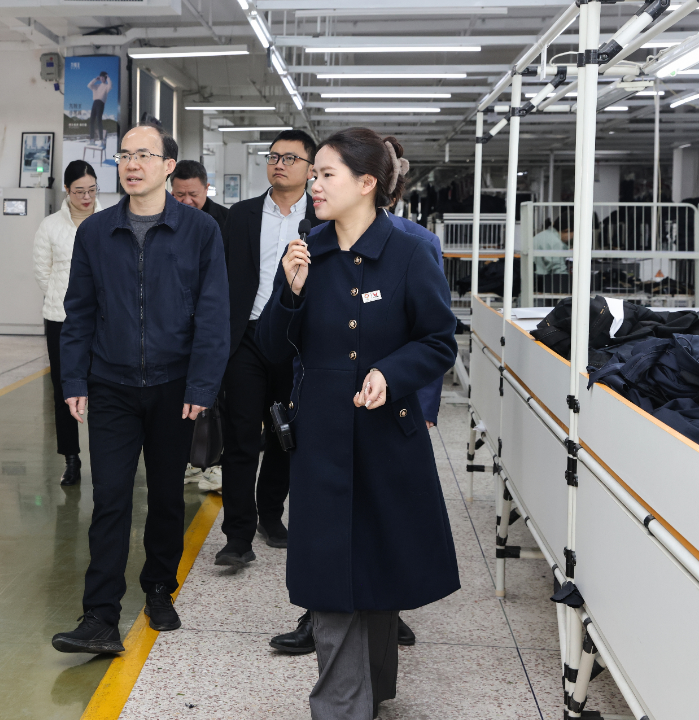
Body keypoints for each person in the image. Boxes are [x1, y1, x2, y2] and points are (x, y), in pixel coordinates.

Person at [255, 128, 459, 719]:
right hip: (320, 438)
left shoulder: (410, 251)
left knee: (377, 564)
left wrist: (391, 372)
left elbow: (439, 340)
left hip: (387, 436)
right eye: (314, 174)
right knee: (329, 572)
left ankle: (374, 690)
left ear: (367, 183)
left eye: (326, 175)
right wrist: (290, 294)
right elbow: (270, 348)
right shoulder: (306, 251)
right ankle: (340, 706)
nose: (313, 185)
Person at [51, 122, 230, 654]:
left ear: (168, 166)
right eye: (125, 155)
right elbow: (78, 311)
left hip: (175, 387)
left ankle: (158, 588)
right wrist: (74, 378)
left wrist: (202, 384)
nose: (132, 164)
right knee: (109, 498)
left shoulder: (200, 231)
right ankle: (100, 616)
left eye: (145, 155)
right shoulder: (96, 232)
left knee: (167, 496)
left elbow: (214, 314)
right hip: (111, 384)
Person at [216, 129, 321, 565]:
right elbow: (221, 278)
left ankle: (271, 516)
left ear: (311, 170)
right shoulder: (240, 215)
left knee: (285, 435)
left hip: (297, 340)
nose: (279, 163)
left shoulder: (322, 218)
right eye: (274, 156)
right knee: (241, 437)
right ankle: (237, 535)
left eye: (291, 158)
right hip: (247, 337)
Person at [33, 160, 102, 486]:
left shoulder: (108, 220)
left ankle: (105, 457)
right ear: (66, 190)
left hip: (102, 319)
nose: (86, 198)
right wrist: (63, 301)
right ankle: (71, 459)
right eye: (79, 191)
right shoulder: (50, 226)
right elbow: (42, 272)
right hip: (61, 320)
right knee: (64, 390)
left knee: (103, 388)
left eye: (91, 190)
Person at [171, 159, 228, 491]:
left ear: (207, 188)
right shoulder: (167, 219)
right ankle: (189, 461)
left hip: (212, 321)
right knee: (180, 401)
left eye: (192, 194)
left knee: (216, 399)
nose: (186, 201)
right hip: (178, 327)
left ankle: (215, 462)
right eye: (179, 194)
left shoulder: (224, 221)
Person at [171, 159, 228, 228]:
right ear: (172, 192)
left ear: (206, 188)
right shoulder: (163, 218)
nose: (187, 201)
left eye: (193, 195)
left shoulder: (227, 219)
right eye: (180, 195)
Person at [533, 215, 572, 294]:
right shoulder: (555, 242)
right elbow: (559, 270)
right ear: (567, 230)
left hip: (532, 281)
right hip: (541, 284)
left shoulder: (545, 235)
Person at [87, 71, 112, 143]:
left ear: (105, 78)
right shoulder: (96, 86)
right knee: (91, 121)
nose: (102, 79)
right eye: (101, 77)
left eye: (103, 77)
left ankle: (101, 140)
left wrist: (108, 78)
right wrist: (95, 79)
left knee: (99, 120)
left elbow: (110, 85)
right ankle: (92, 140)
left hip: (101, 103)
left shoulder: (106, 86)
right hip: (95, 102)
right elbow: (89, 85)